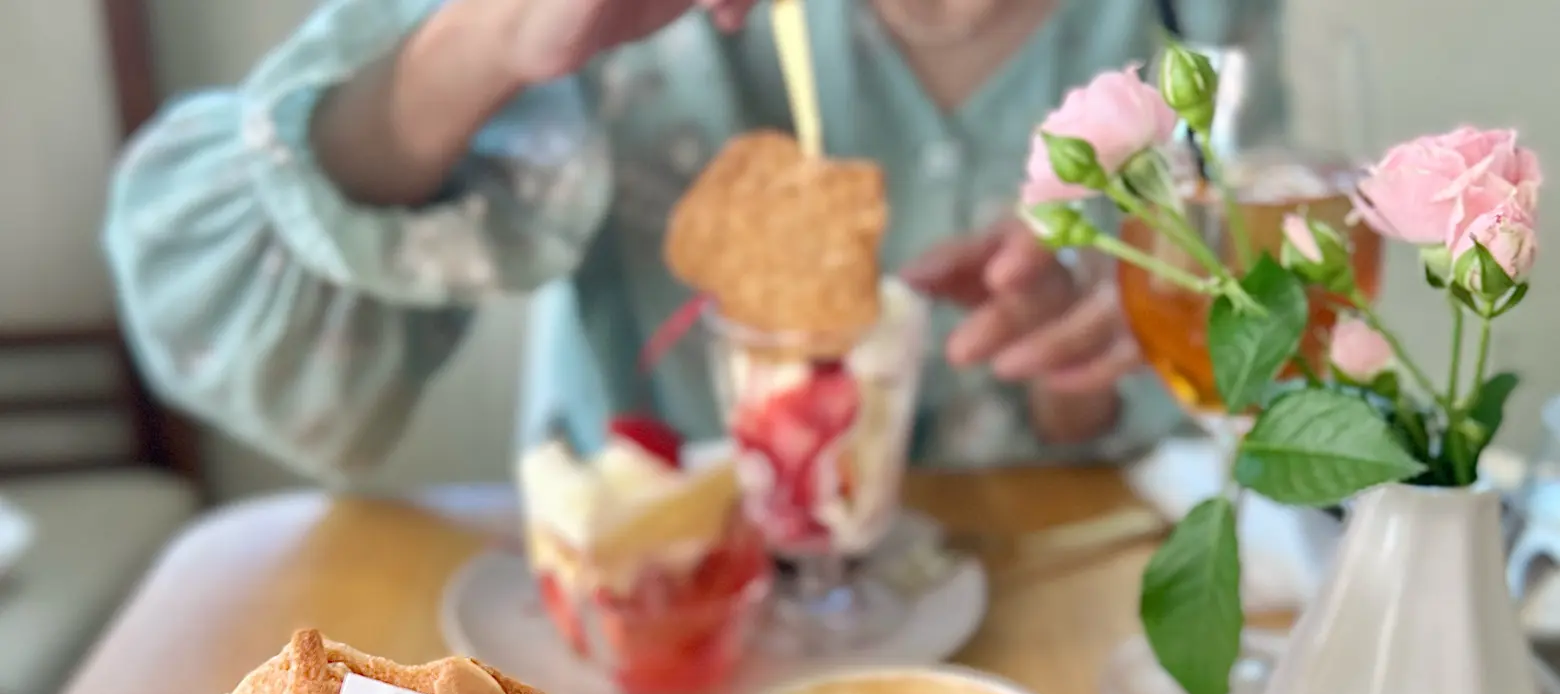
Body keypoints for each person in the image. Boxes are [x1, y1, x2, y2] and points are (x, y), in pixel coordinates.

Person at [105, 0, 1281, 483]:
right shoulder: (655, 36)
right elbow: (245, 361)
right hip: (640, 661)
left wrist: (1086, 357)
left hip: (1037, 673)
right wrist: (484, 42)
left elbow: (1243, 376)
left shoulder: (1189, 32)